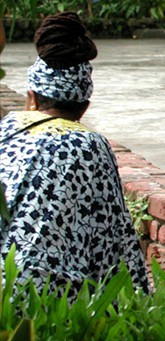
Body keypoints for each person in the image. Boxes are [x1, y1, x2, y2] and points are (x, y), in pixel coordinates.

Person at [0, 12, 149, 299]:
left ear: (31, 97)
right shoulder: (91, 145)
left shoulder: (6, 129)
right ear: (84, 106)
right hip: (47, 303)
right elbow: (115, 241)